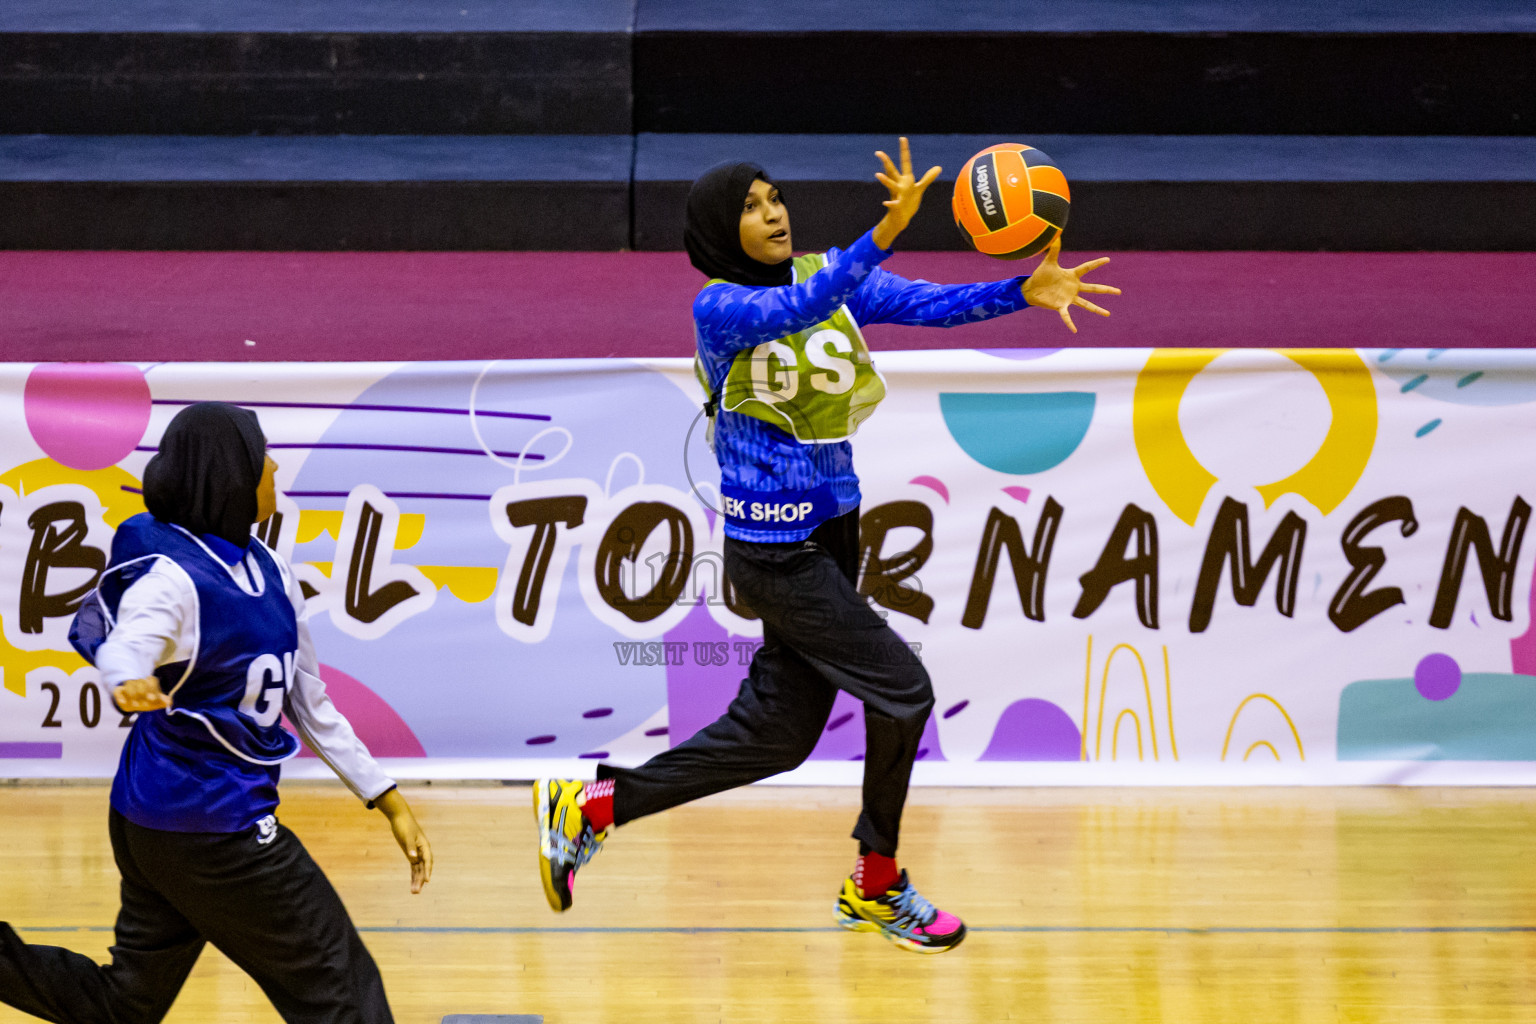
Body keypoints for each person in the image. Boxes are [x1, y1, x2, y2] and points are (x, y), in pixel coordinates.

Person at [534, 139, 1117, 953]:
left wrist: (1023, 288)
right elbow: (794, 310)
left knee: (776, 736)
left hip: (836, 533)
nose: (772, 213)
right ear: (716, 229)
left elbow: (927, 304)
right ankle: (876, 883)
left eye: (775, 198)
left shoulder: (827, 270)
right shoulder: (722, 308)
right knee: (905, 691)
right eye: (749, 205)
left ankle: (591, 807)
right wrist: (884, 233)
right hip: (773, 554)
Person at [0, 402, 433, 1024]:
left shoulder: (270, 567)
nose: (276, 466)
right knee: (338, 987)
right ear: (230, 475)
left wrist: (388, 799)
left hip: (153, 824)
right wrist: (130, 681)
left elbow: (308, 697)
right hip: (215, 828)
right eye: (262, 458)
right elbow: (127, 644)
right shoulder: (174, 577)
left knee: (126, 1004)